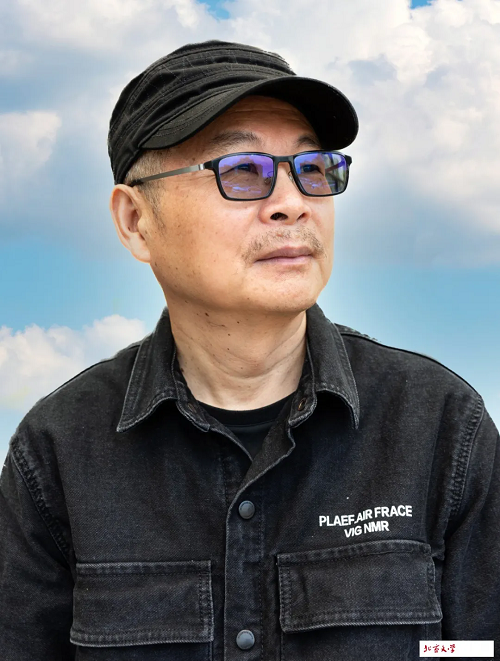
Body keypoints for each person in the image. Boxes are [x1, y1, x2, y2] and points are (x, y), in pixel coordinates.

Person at [0, 39, 498, 661]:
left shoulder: (442, 427)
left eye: (312, 168)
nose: (293, 203)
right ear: (135, 221)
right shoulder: (56, 452)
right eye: (241, 170)